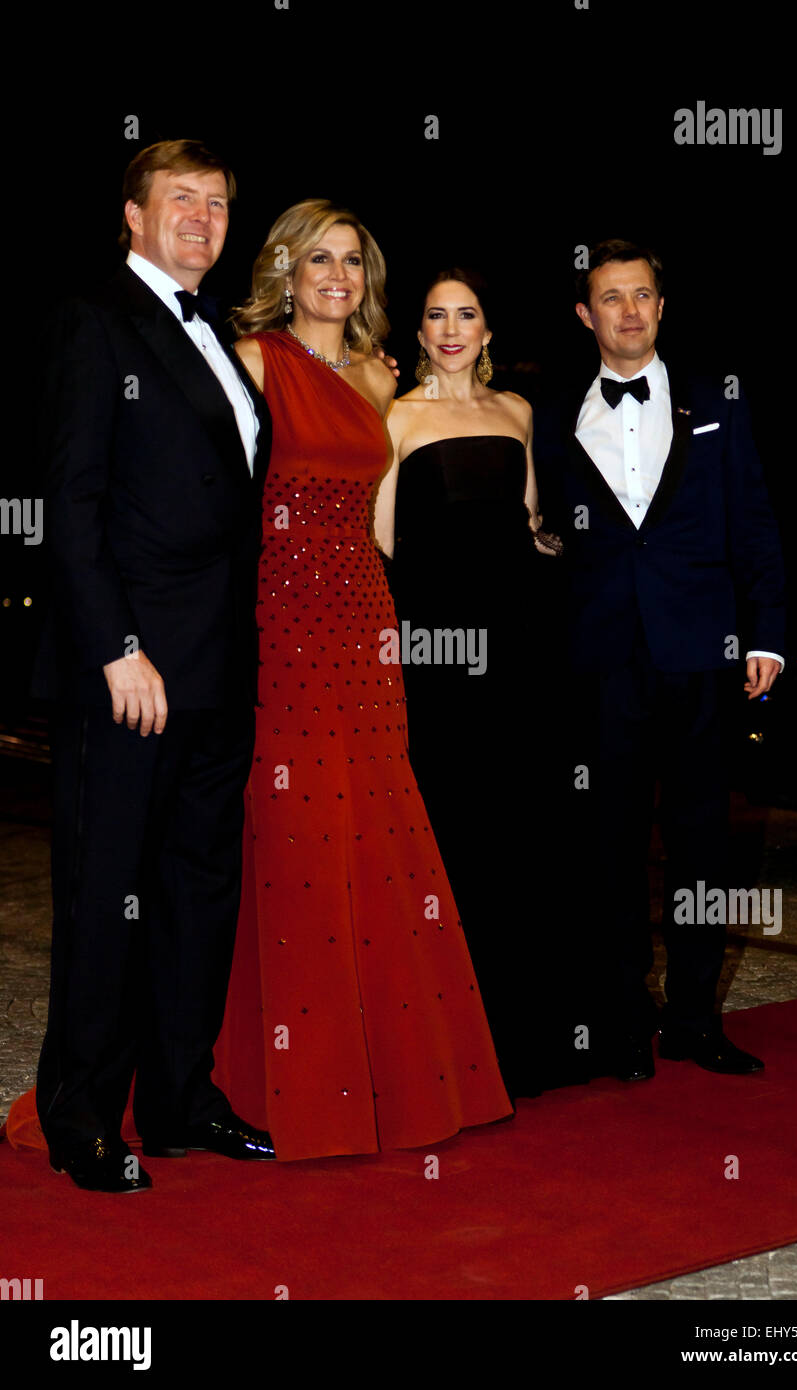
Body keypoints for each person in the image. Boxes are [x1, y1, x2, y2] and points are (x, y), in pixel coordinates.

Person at [211, 203, 513, 1158]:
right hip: (280, 624)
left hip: (365, 623)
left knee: (378, 828)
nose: (336, 275)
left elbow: (391, 514)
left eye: (351, 261)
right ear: (286, 271)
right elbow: (224, 501)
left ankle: (390, 1076)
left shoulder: (382, 376)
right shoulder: (254, 362)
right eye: (318, 259)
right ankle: (284, 1084)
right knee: (295, 836)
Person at [4, 140, 275, 1190]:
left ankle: (177, 1099)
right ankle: (81, 1116)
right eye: (181, 200)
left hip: (218, 671)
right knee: (105, 896)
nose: (202, 218)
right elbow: (69, 506)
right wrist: (117, 647)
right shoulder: (93, 321)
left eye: (216, 202)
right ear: (132, 214)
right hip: (129, 675)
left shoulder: (219, 336)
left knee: (197, 895)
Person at [534, 239, 786, 1082]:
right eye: (611, 298)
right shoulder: (549, 410)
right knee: (606, 847)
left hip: (702, 654)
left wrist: (766, 633)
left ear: (662, 306)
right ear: (585, 313)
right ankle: (620, 1019)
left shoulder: (720, 401)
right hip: (602, 660)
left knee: (701, 845)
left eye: (642, 295)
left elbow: (754, 520)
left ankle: (691, 1019)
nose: (630, 311)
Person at [376, 269, 584, 1097]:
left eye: (467, 315)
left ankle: (521, 1033)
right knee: (450, 823)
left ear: (488, 330)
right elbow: (384, 541)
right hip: (437, 651)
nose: (452, 328)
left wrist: (553, 551)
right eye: (437, 316)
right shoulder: (394, 417)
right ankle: (446, 1036)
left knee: (517, 827)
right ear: (418, 332)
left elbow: (527, 524)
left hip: (519, 648)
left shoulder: (518, 413)